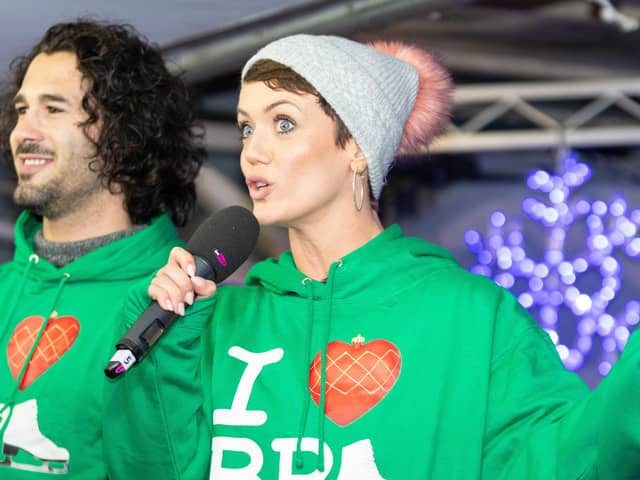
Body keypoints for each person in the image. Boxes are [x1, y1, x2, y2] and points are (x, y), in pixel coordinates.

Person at [104, 34, 640, 479]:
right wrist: (164, 352)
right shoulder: (215, 319)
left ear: (355, 146)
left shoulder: (471, 316)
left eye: (283, 123)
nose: (251, 151)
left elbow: (573, 459)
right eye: (246, 127)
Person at [0, 20, 204, 478]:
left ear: (122, 136)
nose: (21, 131)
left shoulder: (179, 307)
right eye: (20, 109)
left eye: (52, 109)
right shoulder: (3, 288)